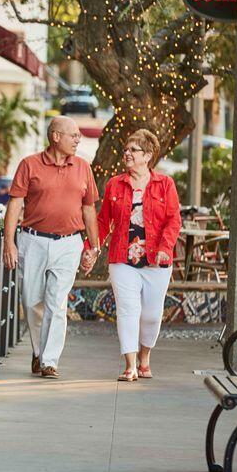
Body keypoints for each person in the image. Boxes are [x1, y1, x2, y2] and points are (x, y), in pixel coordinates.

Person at [3, 116, 100, 379]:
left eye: (79, 136)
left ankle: (49, 361)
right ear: (55, 136)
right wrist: (8, 242)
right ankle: (38, 352)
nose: (78, 140)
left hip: (69, 243)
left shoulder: (83, 167)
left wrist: (94, 246)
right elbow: (15, 205)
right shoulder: (29, 164)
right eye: (74, 135)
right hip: (32, 240)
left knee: (57, 304)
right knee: (32, 301)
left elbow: (89, 208)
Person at [81, 129, 181, 382]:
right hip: (122, 259)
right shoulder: (116, 183)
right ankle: (130, 365)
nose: (126, 153)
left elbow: (173, 220)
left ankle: (144, 357)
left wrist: (164, 248)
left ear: (147, 156)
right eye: (126, 149)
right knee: (127, 310)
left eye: (133, 150)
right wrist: (91, 248)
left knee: (150, 314)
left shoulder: (165, 184)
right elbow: (103, 222)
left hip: (156, 261)